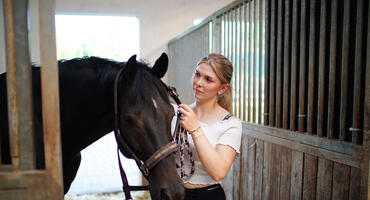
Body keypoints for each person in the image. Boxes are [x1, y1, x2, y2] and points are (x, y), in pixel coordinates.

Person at [171, 53, 242, 200]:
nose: (198, 82)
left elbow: (218, 172)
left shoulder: (230, 124)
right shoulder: (176, 113)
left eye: (208, 79)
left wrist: (195, 129)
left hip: (208, 196)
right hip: (173, 193)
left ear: (222, 88)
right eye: (197, 74)